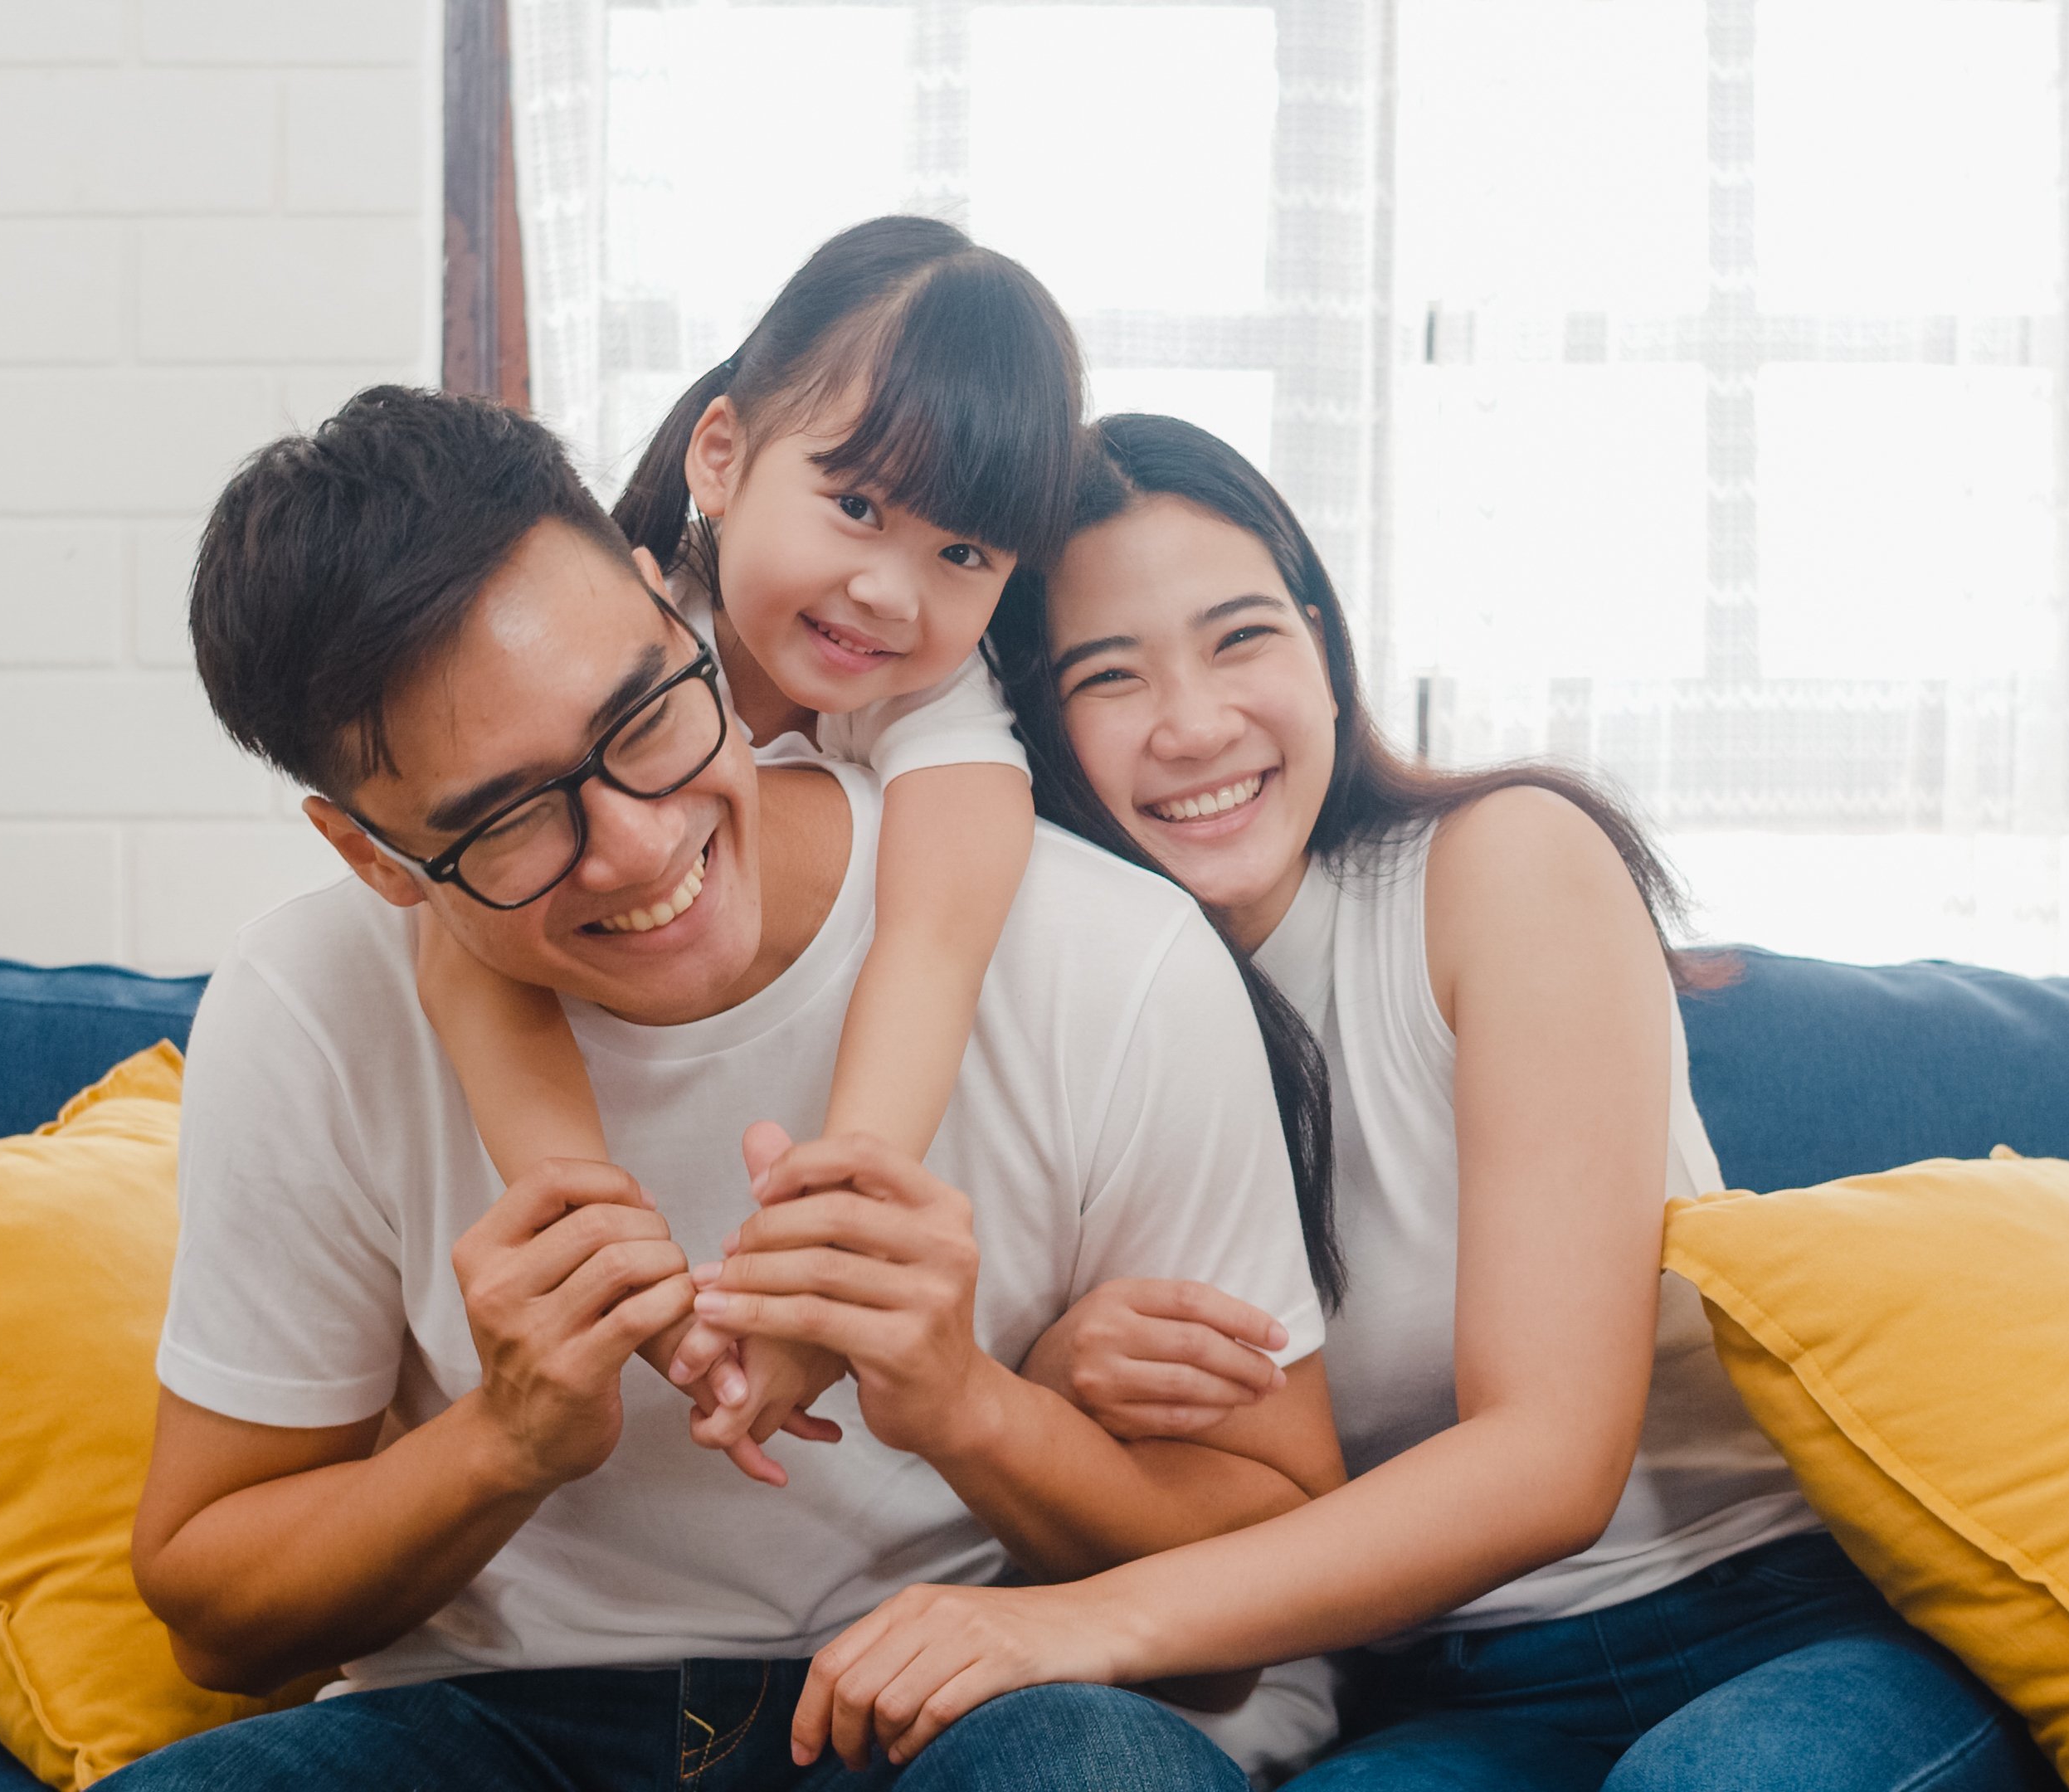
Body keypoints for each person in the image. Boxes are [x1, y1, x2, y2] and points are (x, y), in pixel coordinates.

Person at [776, 416, 2051, 1792]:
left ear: (1326, 652)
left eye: (1243, 637)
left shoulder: (1501, 868)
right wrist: (1061, 1386)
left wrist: (1073, 1623)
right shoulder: (1072, 1007)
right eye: (1109, 675)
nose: (1196, 723)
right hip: (1435, 1696)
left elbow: (1552, 1459)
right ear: (1036, 730)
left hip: (1764, 1621)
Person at [110, 388, 1346, 1791]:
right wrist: (499, 1445)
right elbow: (212, 1609)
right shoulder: (308, 1006)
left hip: (955, 1700)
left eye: (643, 715)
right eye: (509, 822)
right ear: (376, 859)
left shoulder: (1105, 957)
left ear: (671, 607)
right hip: (497, 1722)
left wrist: (961, 1401)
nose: (638, 849)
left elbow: (1257, 1586)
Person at [411, 217, 1061, 1488]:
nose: (889, 589)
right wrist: (632, 1295)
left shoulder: (945, 710)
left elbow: (932, 946)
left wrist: (824, 1273)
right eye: (857, 504)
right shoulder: (615, 634)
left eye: (963, 554)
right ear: (722, 454)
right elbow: (466, 955)